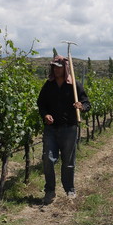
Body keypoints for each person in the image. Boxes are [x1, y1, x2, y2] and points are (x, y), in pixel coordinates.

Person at [37, 55, 91, 205]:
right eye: (54, 67)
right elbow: (41, 104)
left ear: (65, 68)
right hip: (51, 129)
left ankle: (69, 189)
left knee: (68, 161)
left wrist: (82, 106)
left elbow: (87, 103)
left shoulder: (74, 85)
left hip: (69, 129)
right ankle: (50, 190)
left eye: (59, 67)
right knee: (48, 159)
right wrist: (45, 114)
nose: (56, 69)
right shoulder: (48, 85)